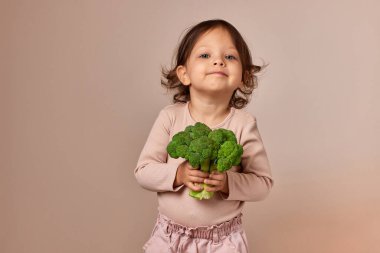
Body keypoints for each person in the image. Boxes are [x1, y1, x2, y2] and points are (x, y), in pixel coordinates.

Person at [134, 19, 273, 253]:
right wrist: (178, 174)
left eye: (230, 57)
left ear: (244, 78)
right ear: (184, 74)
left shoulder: (243, 124)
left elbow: (263, 184)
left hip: (223, 240)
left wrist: (229, 182)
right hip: (169, 237)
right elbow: (143, 171)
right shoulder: (170, 117)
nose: (218, 60)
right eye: (205, 55)